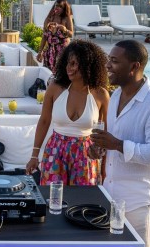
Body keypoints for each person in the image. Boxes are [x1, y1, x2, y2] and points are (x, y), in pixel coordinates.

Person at [90, 40, 150, 247]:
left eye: (114, 61)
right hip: (113, 194)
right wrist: (101, 150)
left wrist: (117, 144)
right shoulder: (116, 95)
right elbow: (115, 142)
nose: (107, 65)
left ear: (134, 66)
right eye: (109, 60)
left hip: (140, 200)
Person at [26, 39, 110, 185]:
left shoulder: (101, 95)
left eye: (74, 63)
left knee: (82, 197)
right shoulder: (55, 88)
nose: (68, 68)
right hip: (55, 151)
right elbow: (44, 121)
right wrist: (34, 156)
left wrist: (104, 169)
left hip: (86, 155)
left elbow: (105, 133)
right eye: (67, 63)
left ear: (87, 65)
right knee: (53, 195)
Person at [38, 0, 74, 70]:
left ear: (64, 9)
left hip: (62, 52)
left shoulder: (67, 18)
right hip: (50, 52)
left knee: (60, 73)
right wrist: (40, 52)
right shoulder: (49, 18)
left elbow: (71, 34)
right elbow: (44, 37)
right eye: (56, 5)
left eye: (60, 6)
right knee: (48, 73)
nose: (57, 8)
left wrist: (64, 29)